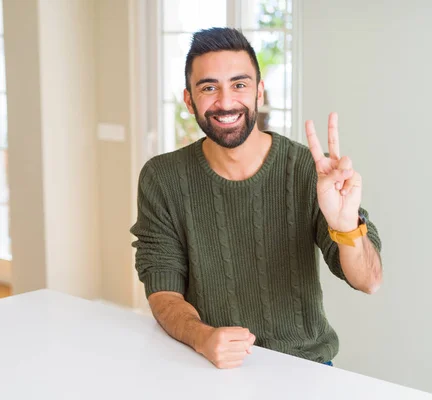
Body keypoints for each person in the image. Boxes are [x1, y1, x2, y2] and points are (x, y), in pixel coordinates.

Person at [130, 27, 383, 369]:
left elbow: (369, 281)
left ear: (258, 92)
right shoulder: (162, 178)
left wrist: (346, 225)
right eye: (208, 87)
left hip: (304, 367)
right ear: (189, 100)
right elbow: (163, 288)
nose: (225, 101)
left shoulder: (308, 170)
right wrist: (202, 336)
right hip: (206, 363)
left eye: (239, 84)